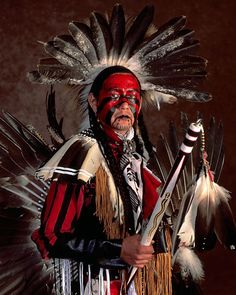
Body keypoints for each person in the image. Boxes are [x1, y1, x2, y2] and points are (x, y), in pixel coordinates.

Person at [32, 65, 171, 294]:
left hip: (136, 285)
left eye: (131, 97)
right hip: (96, 286)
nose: (124, 105)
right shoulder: (81, 154)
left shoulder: (135, 160)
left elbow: (148, 225)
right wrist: (118, 249)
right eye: (114, 96)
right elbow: (52, 238)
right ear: (94, 102)